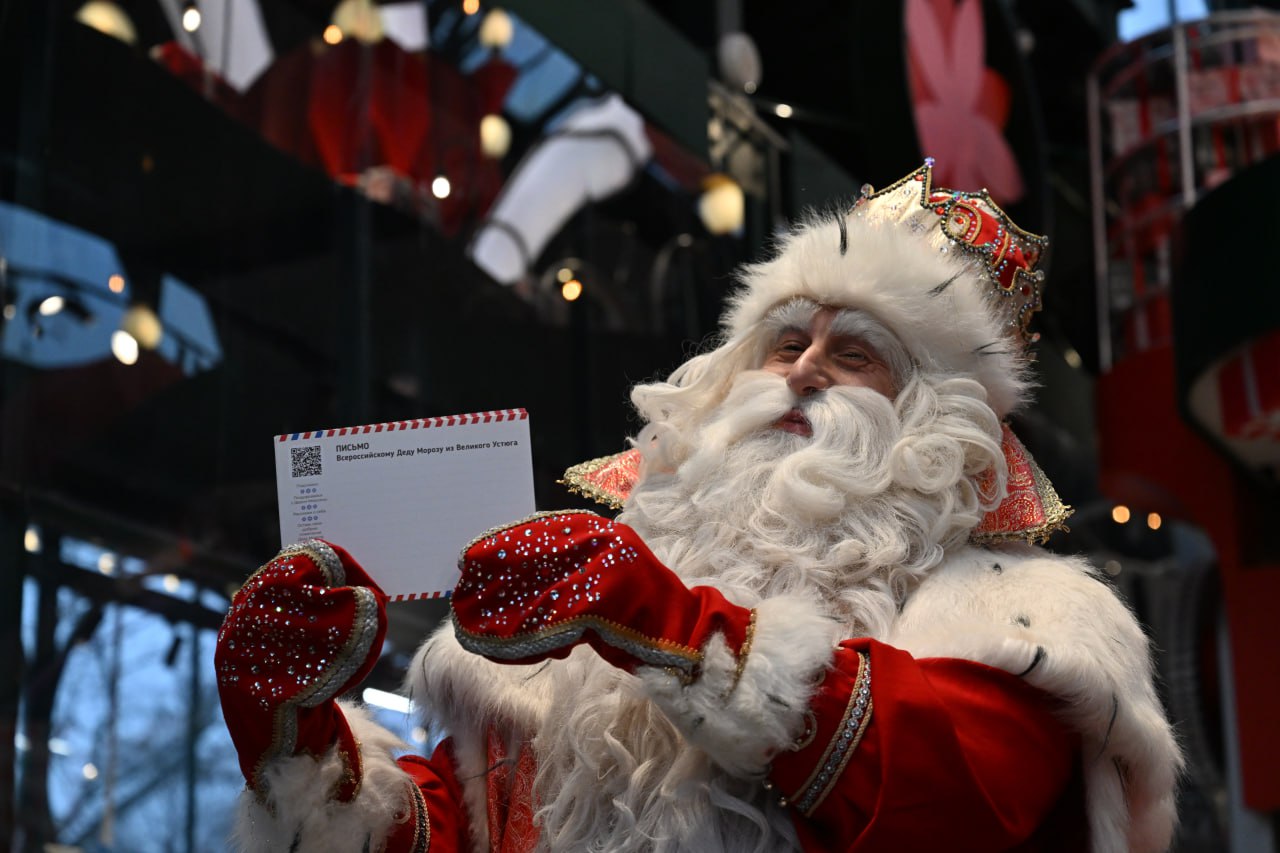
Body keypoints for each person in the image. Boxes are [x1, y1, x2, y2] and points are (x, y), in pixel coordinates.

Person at [215, 161, 1182, 852]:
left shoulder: (1027, 620)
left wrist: (679, 630)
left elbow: (954, 794)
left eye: (855, 354)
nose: (804, 369)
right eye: (787, 340)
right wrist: (294, 742)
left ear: (936, 418)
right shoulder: (591, 611)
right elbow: (473, 826)